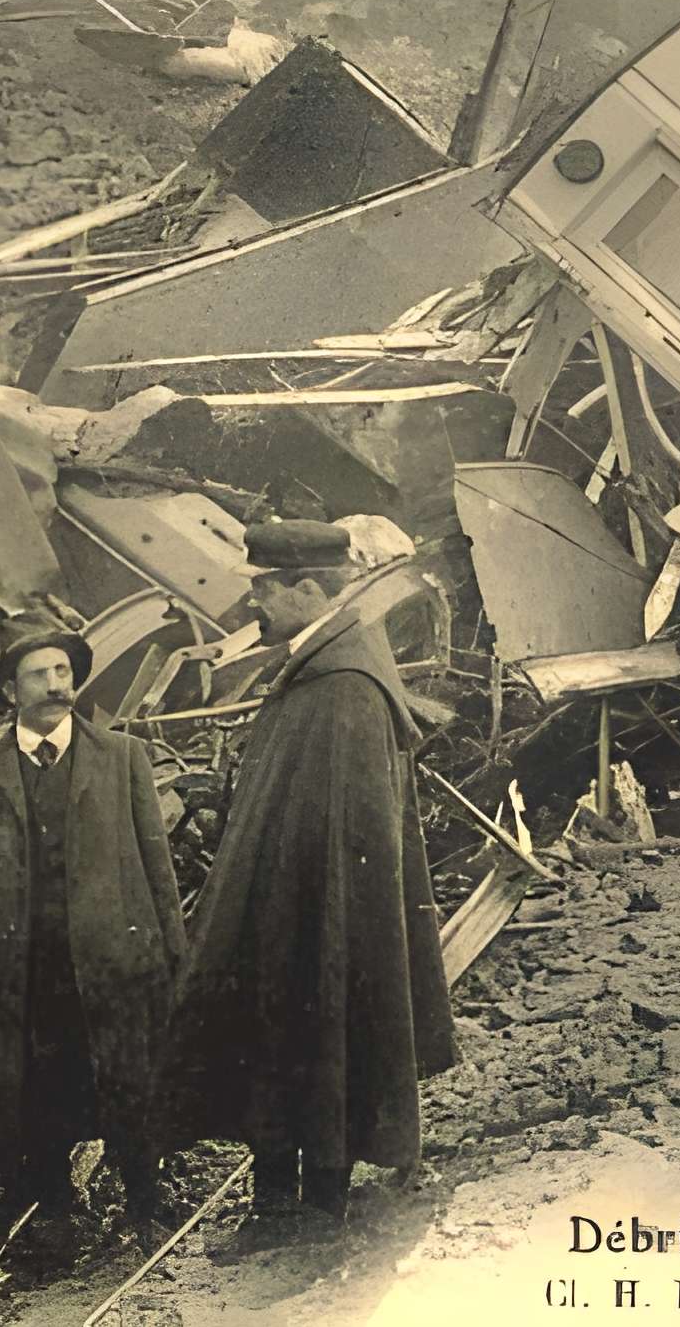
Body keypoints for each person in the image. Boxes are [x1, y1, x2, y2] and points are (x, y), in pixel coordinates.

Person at [157, 520, 456, 1252]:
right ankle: (285, 1202)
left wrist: (290, 900)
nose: (253, 601)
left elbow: (346, 832)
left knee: (315, 1033)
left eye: (264, 587)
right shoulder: (317, 664)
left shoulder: (344, 685)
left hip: (315, 913)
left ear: (309, 589)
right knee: (289, 1038)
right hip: (290, 903)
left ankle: (312, 1207)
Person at [0, 610, 186, 1245]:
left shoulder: (124, 758)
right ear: (8, 692)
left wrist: (172, 957)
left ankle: (143, 1200)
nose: (58, 684)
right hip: (24, 968)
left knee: (128, 1080)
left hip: (114, 960)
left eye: (64, 671)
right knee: (40, 1089)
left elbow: (157, 867)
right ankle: (55, 1208)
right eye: (40, 674)